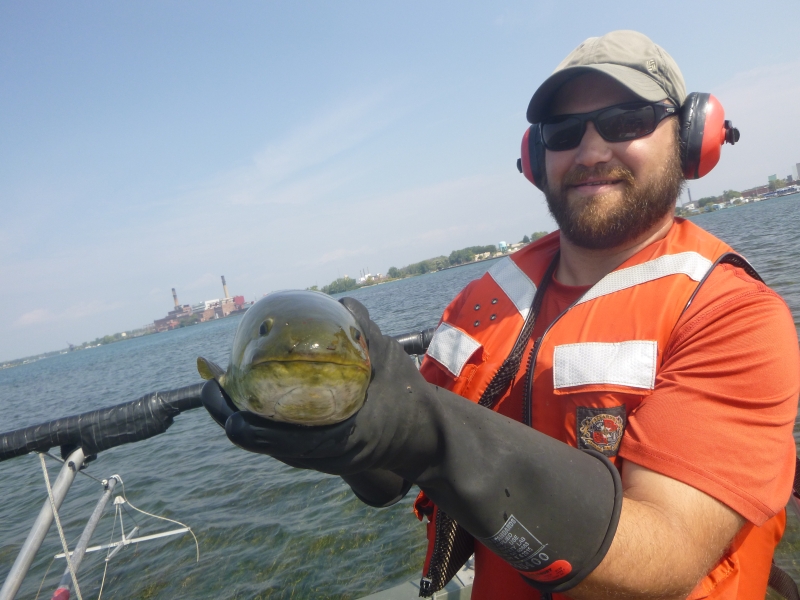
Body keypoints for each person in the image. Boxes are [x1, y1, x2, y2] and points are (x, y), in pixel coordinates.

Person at [202, 30, 800, 600]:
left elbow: (664, 558)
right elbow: (391, 468)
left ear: (695, 136)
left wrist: (426, 434)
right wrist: (345, 439)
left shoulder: (735, 316)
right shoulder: (479, 305)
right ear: (536, 157)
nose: (591, 150)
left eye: (627, 121)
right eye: (563, 133)